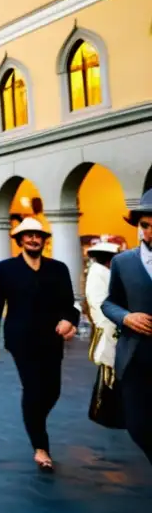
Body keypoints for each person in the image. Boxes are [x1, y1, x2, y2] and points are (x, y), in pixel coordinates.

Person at [0, 217, 79, 473]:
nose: (34, 239)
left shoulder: (58, 269)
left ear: (43, 240)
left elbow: (70, 304)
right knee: (33, 388)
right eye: (29, 235)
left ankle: (34, 419)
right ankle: (40, 447)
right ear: (20, 240)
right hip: (21, 339)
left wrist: (70, 320)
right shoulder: (5, 268)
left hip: (51, 338)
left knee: (53, 391)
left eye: (38, 235)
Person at [102, 189, 152, 463]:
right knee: (138, 426)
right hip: (135, 358)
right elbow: (109, 303)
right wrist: (126, 317)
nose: (150, 233)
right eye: (146, 226)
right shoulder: (122, 262)